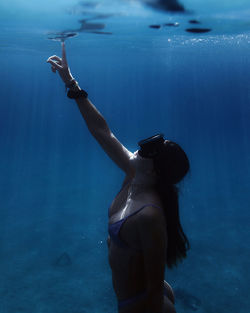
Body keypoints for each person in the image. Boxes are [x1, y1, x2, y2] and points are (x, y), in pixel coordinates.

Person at [47, 42, 190, 313]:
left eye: (149, 151)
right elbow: (102, 131)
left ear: (156, 170)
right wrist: (70, 82)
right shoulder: (135, 172)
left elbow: (153, 290)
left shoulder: (150, 215)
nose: (139, 148)